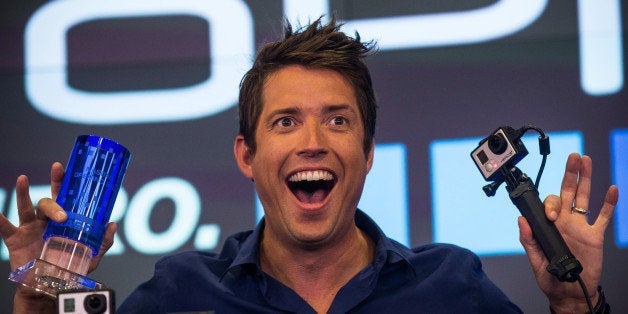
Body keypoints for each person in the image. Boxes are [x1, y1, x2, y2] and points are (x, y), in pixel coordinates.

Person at [0, 17, 619, 313]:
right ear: (246, 155)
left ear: (368, 154)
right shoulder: (179, 293)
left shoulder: (453, 287)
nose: (314, 141)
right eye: (285, 121)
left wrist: (571, 301)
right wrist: (39, 291)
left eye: (339, 119)